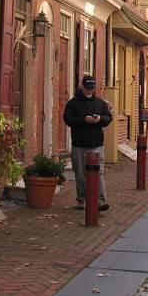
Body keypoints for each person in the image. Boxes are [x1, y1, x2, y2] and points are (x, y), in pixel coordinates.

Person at [63, 75, 113, 212]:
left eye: (92, 89)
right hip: (79, 144)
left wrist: (100, 119)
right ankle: (81, 199)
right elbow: (68, 119)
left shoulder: (100, 103)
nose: (90, 91)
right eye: (87, 88)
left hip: (96, 144)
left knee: (99, 174)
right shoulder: (72, 103)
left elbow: (109, 118)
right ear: (82, 87)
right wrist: (83, 120)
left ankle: (100, 201)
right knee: (80, 174)